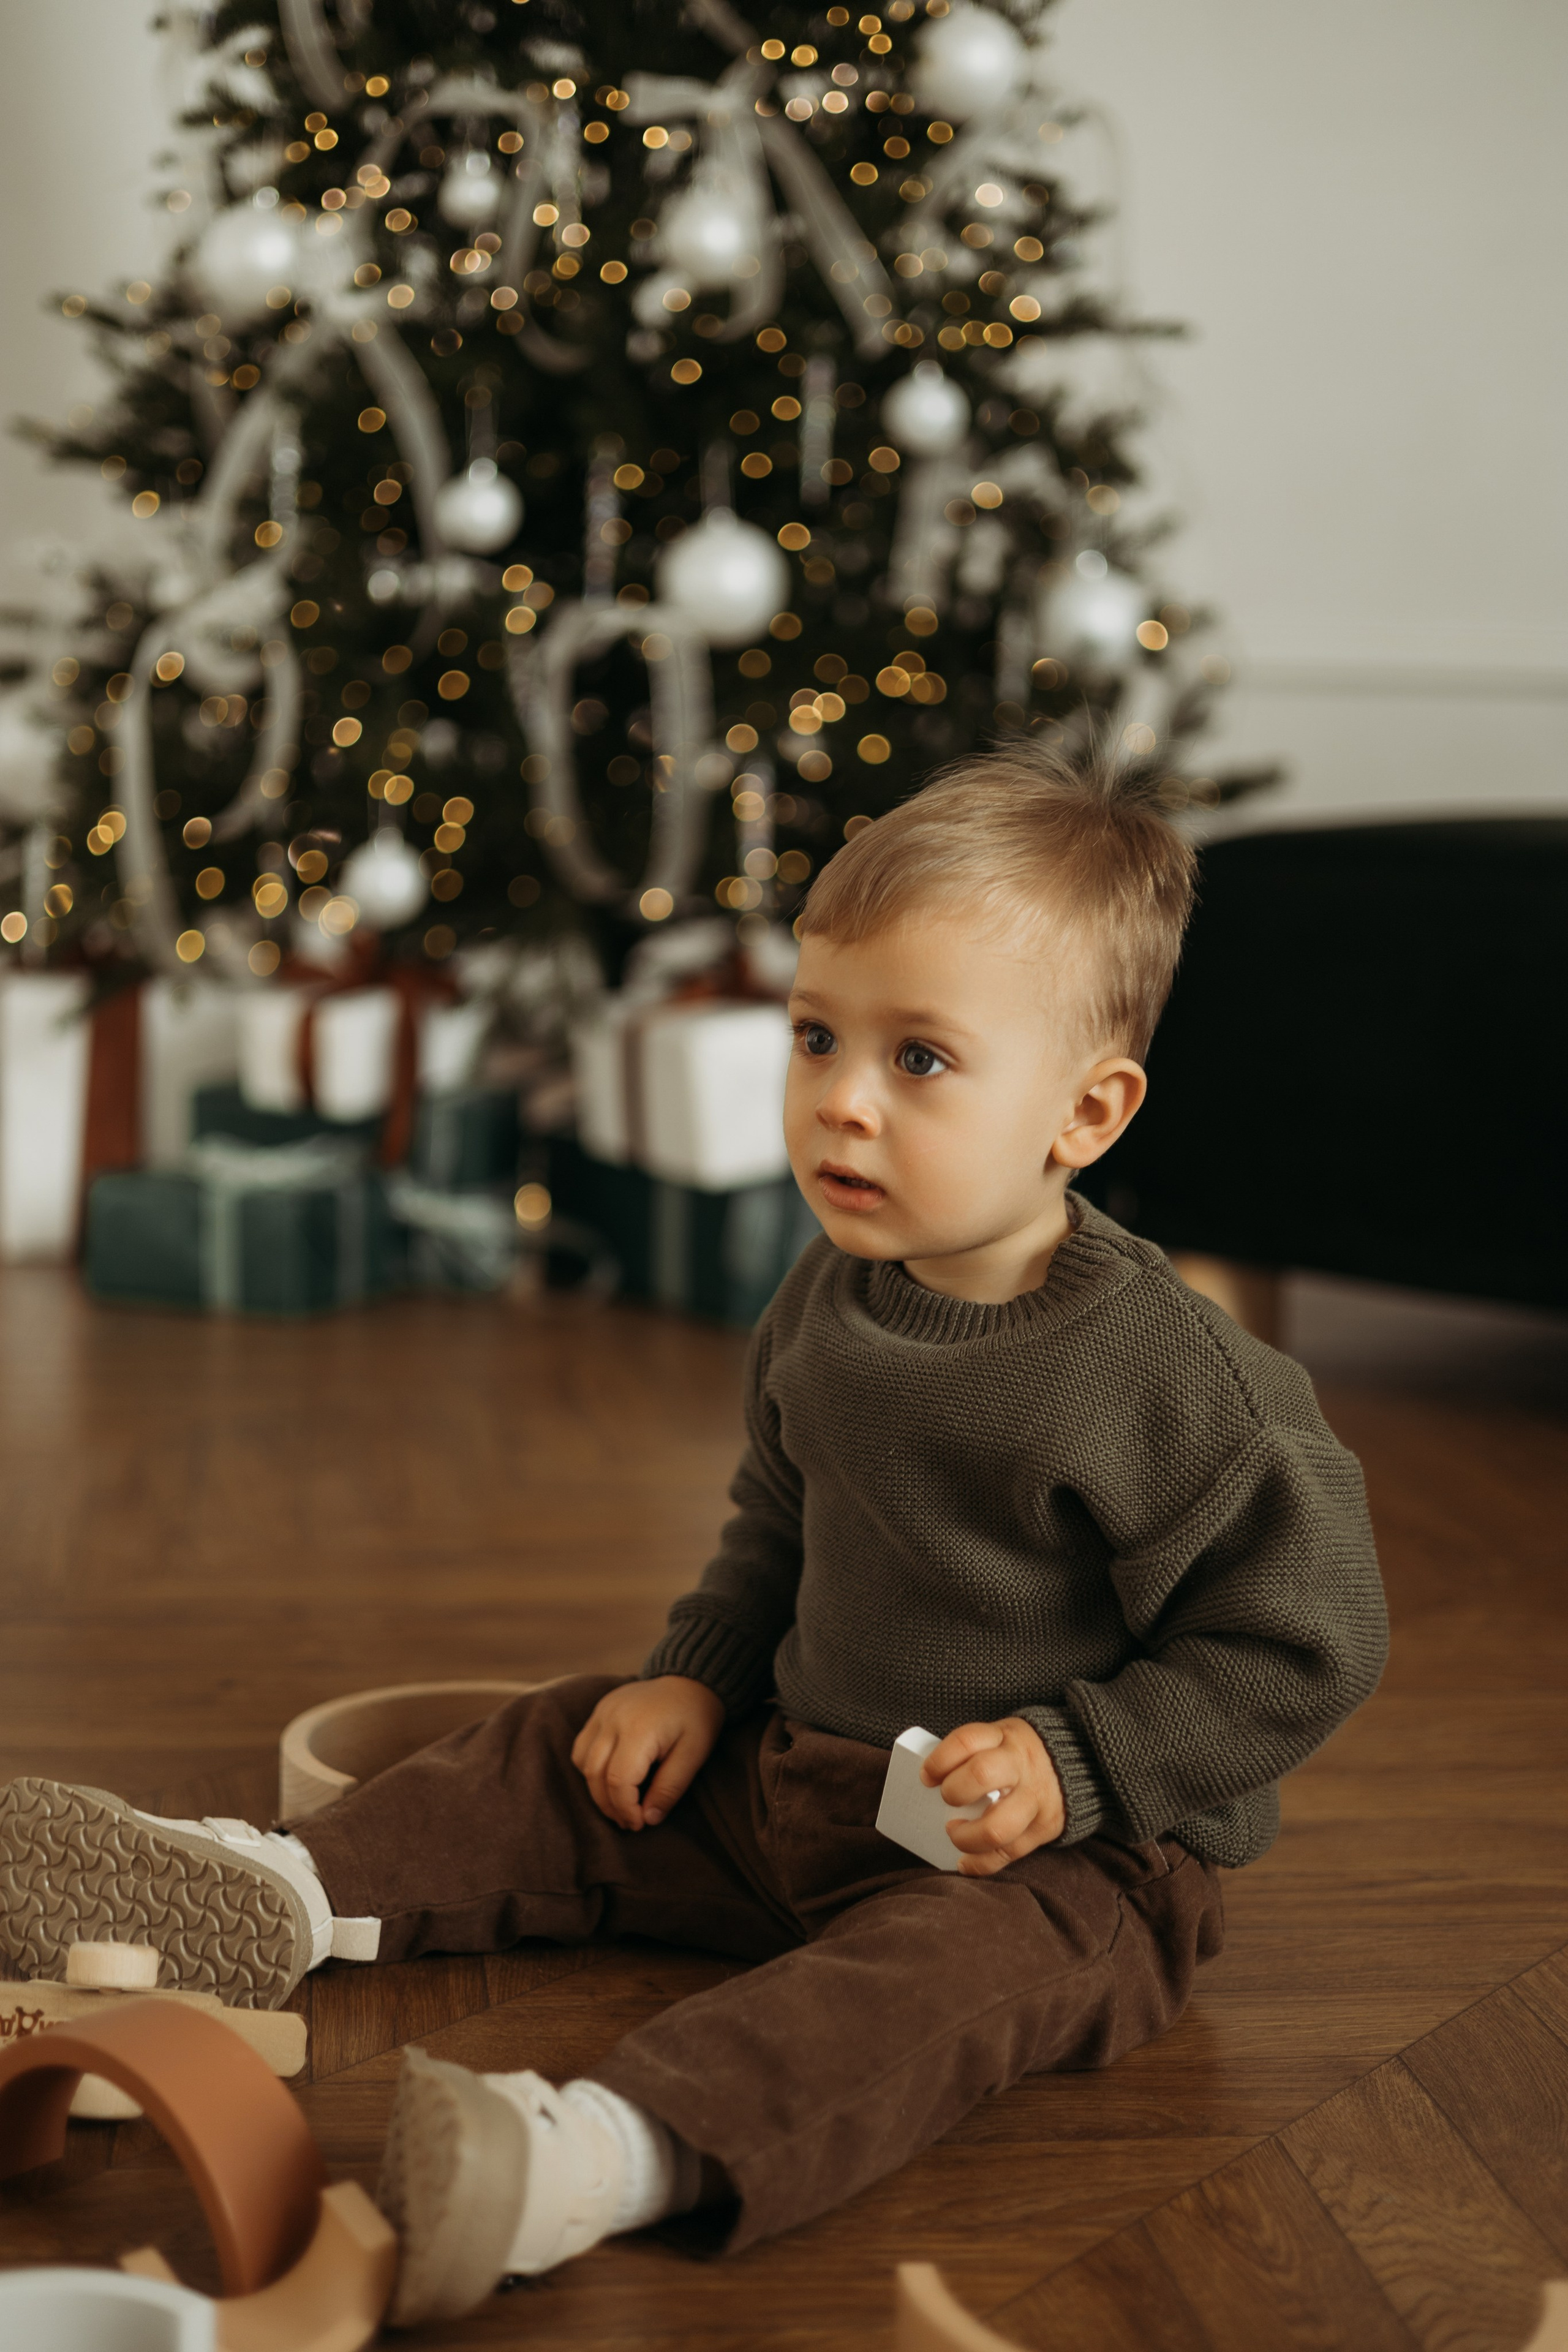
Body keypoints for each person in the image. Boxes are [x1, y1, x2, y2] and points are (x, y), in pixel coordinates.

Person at [0, 746, 1387, 2327]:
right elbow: (781, 1515)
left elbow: (1309, 1635)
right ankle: (267, 1895)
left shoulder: (1174, 1382)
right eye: (816, 1037)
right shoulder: (833, 1292)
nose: (840, 1101)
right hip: (800, 1777)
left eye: (920, 1059)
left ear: (1086, 1111)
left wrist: (1082, 1764)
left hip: (1063, 1866)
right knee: (552, 1749)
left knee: (922, 1994)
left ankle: (603, 2150)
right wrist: (696, 1678)